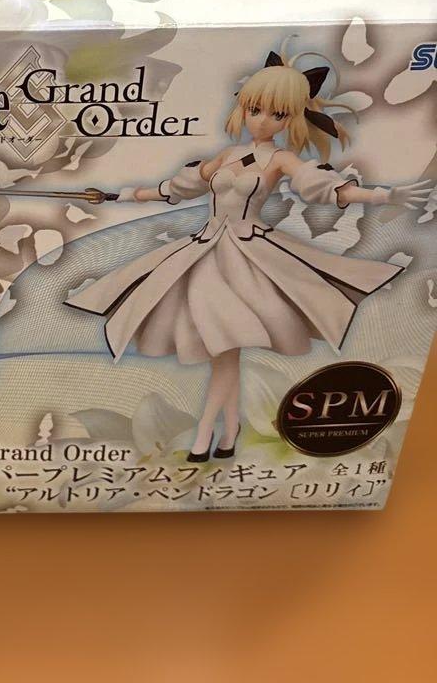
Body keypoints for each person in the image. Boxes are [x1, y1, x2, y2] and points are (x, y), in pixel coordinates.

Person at [66, 47, 431, 461]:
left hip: (249, 258)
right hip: (205, 254)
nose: (262, 120)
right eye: (255, 109)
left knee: (225, 351)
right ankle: (227, 431)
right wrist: (119, 195)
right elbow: (174, 190)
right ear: (244, 107)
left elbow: (323, 189)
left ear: (291, 118)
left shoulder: (281, 158)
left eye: (277, 114)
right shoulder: (225, 156)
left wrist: (384, 195)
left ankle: (207, 434)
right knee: (221, 350)